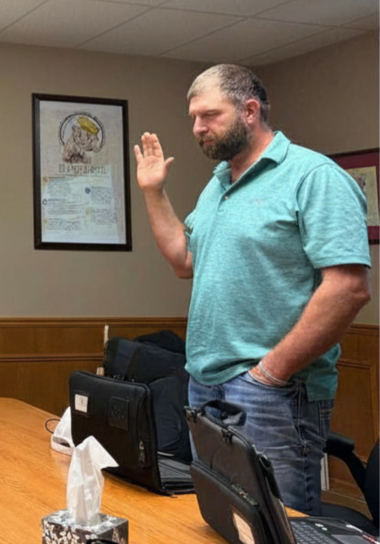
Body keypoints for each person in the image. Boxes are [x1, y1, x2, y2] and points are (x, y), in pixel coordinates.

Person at [134, 64, 371, 515]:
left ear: (249, 110)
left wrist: (270, 373)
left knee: (277, 524)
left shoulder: (312, 176)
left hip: (274, 393)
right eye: (193, 119)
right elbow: (185, 260)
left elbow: (349, 288)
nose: (197, 128)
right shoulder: (219, 184)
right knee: (223, 520)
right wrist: (153, 193)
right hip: (205, 385)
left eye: (209, 116)